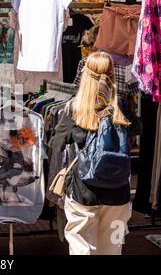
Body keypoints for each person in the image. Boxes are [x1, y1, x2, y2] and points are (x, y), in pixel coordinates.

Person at [54, 52, 132, 255]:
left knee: (82, 247)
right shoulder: (122, 107)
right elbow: (136, 130)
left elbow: (57, 143)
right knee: (113, 248)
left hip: (84, 191)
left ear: (85, 75)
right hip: (119, 193)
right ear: (112, 75)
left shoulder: (73, 109)